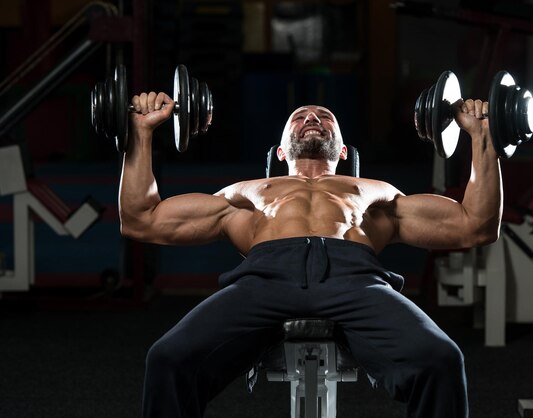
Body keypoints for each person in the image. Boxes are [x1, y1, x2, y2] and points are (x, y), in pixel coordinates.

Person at [120, 91, 502, 418]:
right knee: (168, 359)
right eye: (299, 117)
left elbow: (476, 224)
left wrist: (482, 136)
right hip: (266, 276)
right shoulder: (249, 191)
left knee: (441, 360)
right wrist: (141, 131)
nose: (312, 119)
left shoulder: (375, 191)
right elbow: (142, 220)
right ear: (282, 149)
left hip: (354, 278)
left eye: (325, 117)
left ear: (344, 149)